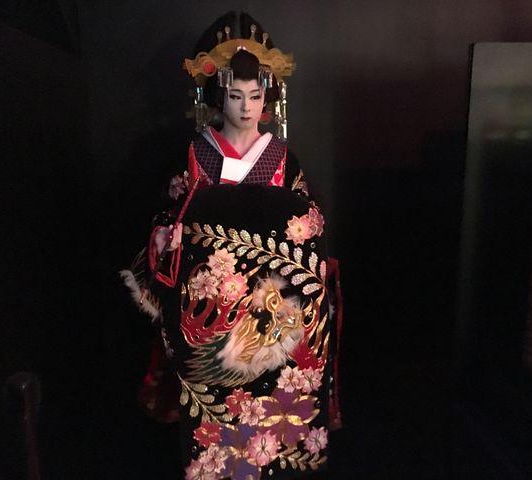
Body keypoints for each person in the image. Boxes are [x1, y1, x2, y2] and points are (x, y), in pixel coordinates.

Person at [120, 11, 342, 479]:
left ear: (267, 100)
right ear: (219, 97)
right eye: (236, 96)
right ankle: (218, 461)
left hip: (272, 299)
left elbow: (307, 220)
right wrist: (170, 235)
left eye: (255, 97)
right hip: (213, 299)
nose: (245, 108)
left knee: (286, 370)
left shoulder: (281, 157)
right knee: (212, 388)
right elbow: (172, 211)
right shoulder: (197, 152)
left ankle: (278, 455)